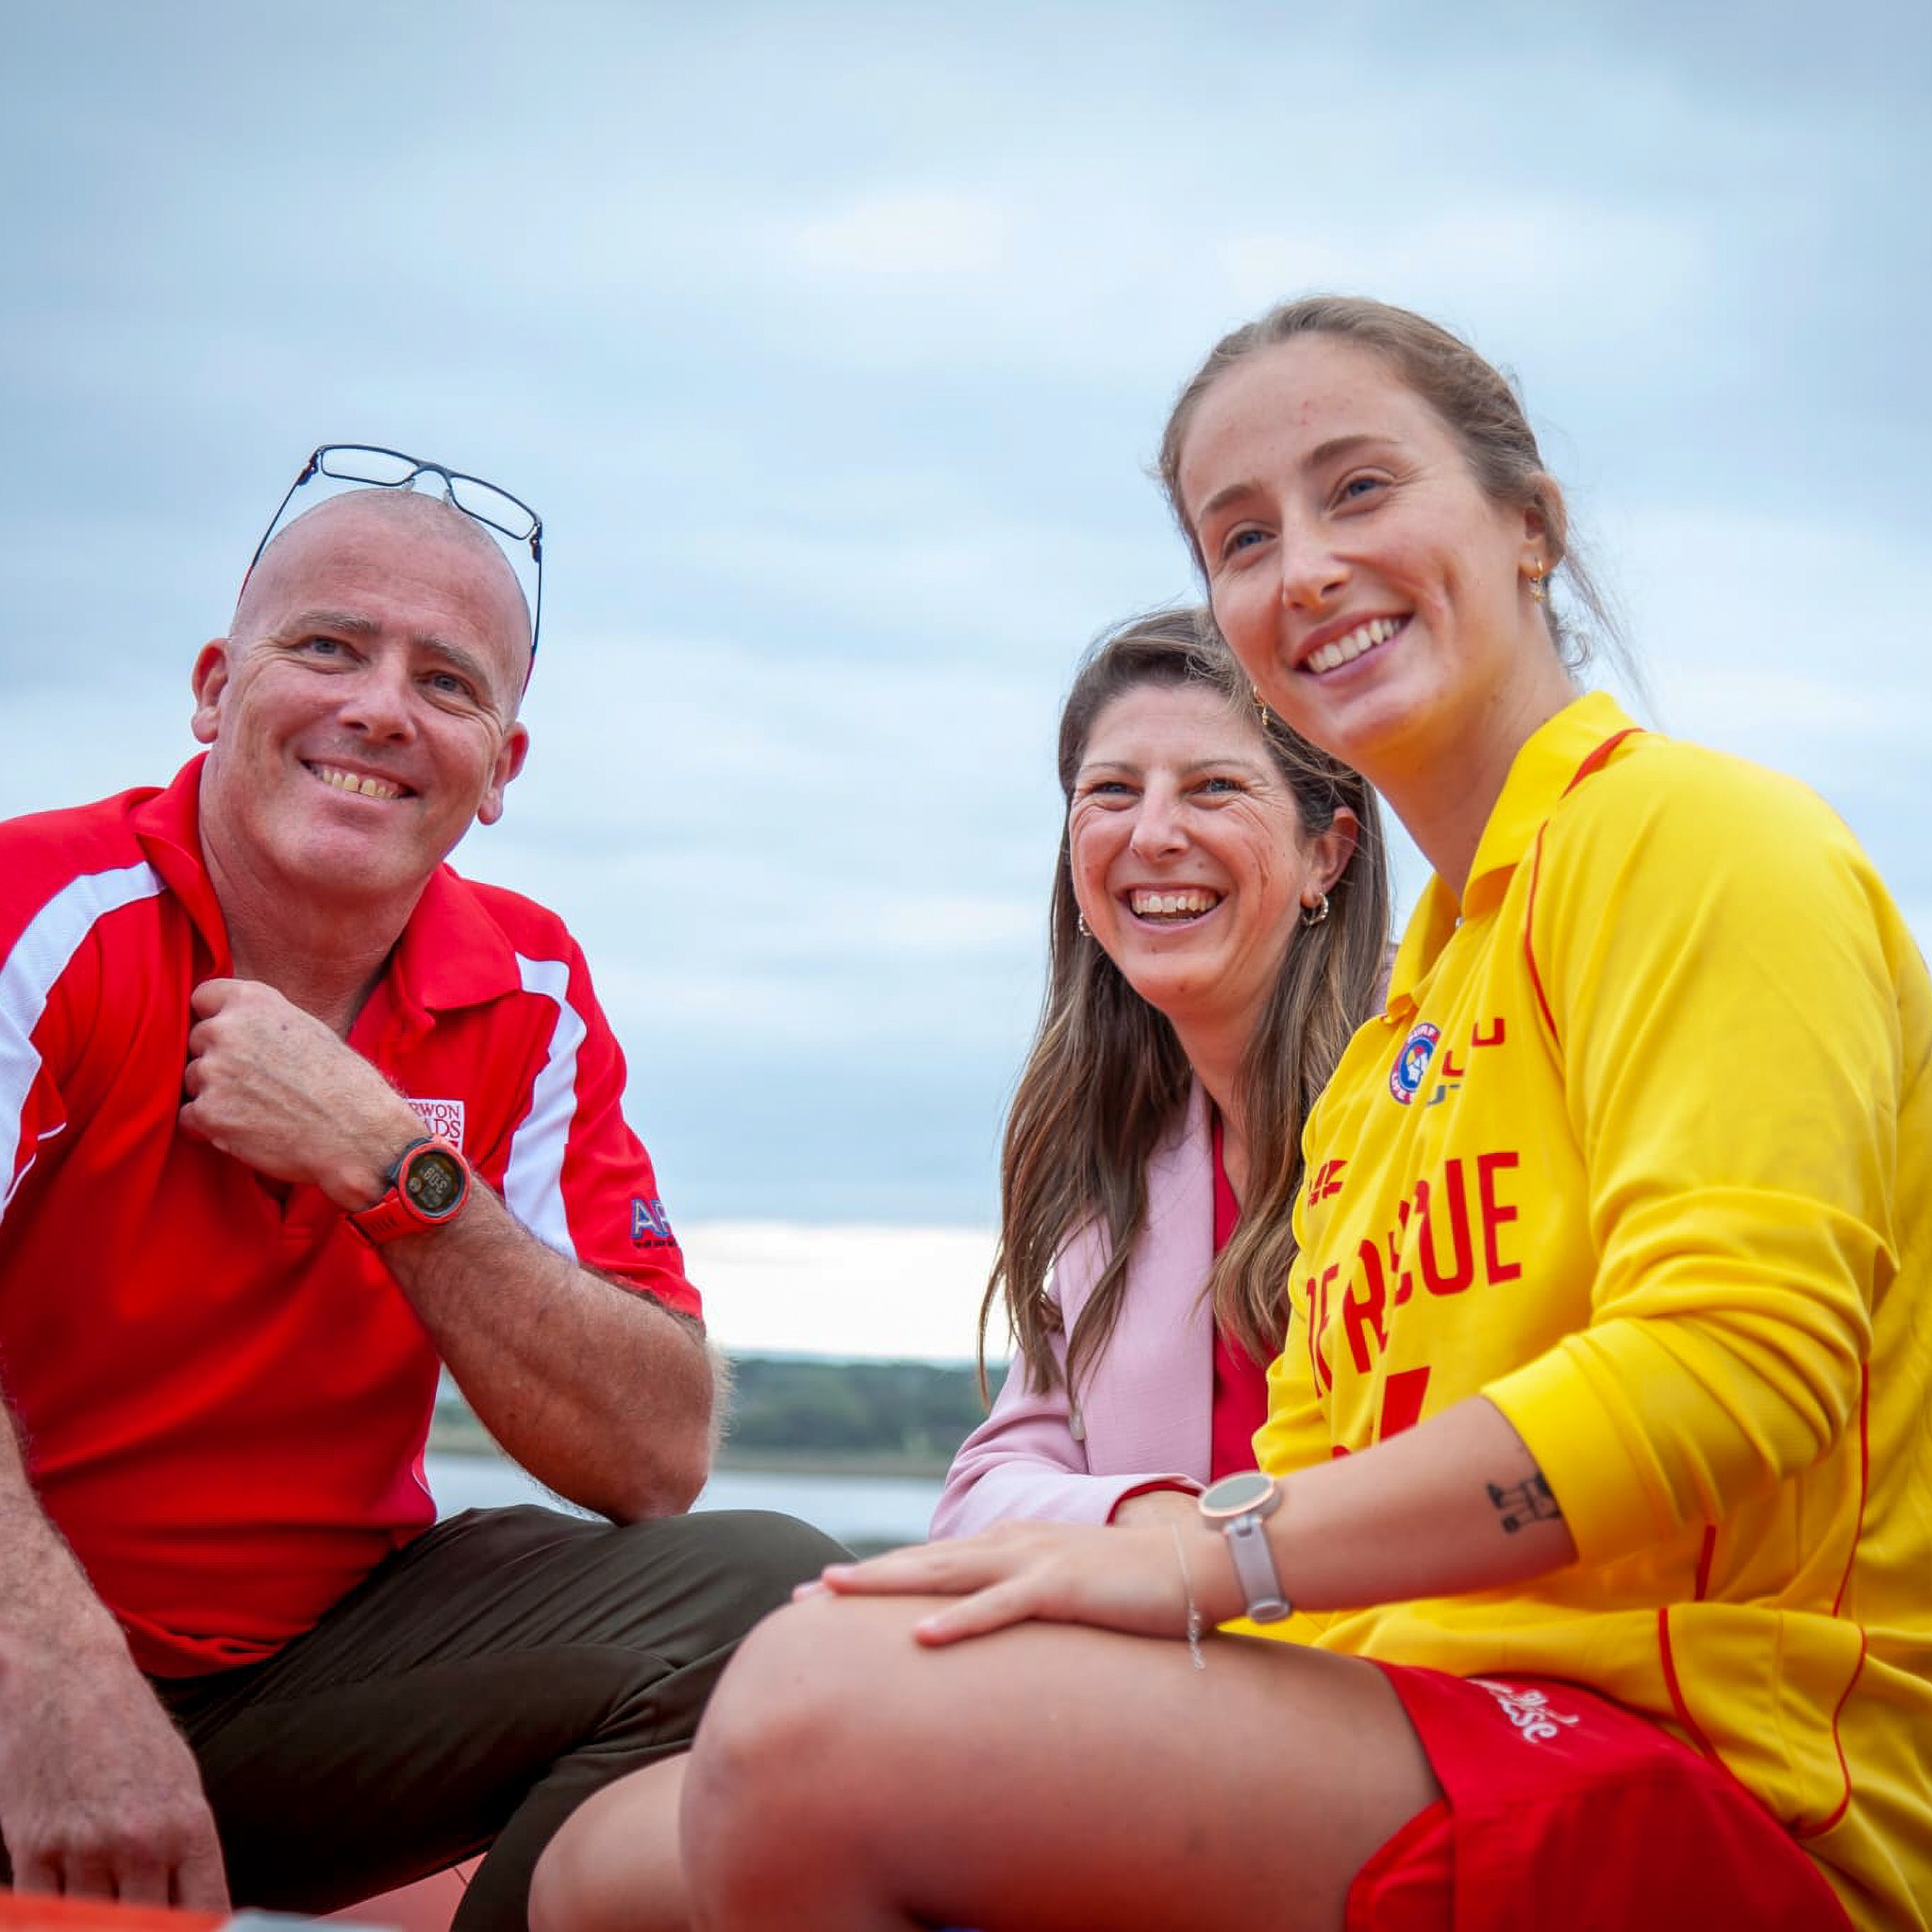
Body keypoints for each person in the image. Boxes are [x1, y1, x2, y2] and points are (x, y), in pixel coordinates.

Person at [553, 299, 1929, 1931]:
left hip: (1709, 1769)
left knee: (809, 1721)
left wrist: (1194, 1558)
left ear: (1525, 524)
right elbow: (1291, 1467)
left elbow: (1731, 1373)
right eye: (1242, 534)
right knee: (619, 1858)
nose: (1304, 570)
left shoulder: (1696, 837)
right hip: (1406, 1710)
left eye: (1359, 490)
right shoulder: (1399, 1050)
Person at [0, 449, 840, 1930]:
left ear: (502, 768)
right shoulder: (40, 914)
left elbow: (649, 1458)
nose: (380, 707)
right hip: (25, 1649)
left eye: (447, 682)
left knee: (772, 1596)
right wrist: (56, 1686)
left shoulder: (528, 982)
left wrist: (395, 1168)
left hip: (295, 1691)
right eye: (328, 645)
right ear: (212, 689)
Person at [931, 608, 1388, 1539]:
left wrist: (1233, 1558)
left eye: (1212, 786)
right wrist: (1163, 1524)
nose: (1153, 833)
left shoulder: (1442, 1073)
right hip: (1192, 1640)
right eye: (1110, 790)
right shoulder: (1118, 1135)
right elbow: (981, 1492)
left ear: (1325, 853)